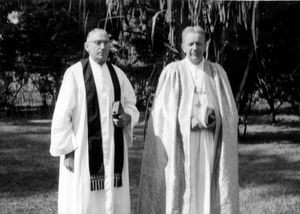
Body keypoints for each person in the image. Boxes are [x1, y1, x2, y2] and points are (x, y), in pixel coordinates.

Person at [137, 26, 239, 214]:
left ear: (205, 45)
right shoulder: (172, 72)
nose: (195, 48)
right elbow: (162, 114)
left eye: (199, 43)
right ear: (183, 46)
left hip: (209, 141)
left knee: (206, 183)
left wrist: (216, 120)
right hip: (181, 143)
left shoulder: (217, 73)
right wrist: (187, 121)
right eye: (191, 43)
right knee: (183, 186)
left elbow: (229, 112)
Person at [50, 28, 140, 214]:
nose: (103, 46)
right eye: (97, 42)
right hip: (83, 150)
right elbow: (62, 115)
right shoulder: (74, 74)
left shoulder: (118, 75)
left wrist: (128, 117)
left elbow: (132, 104)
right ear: (87, 46)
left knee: (114, 199)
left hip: (113, 150)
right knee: (83, 200)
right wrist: (67, 151)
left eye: (106, 42)